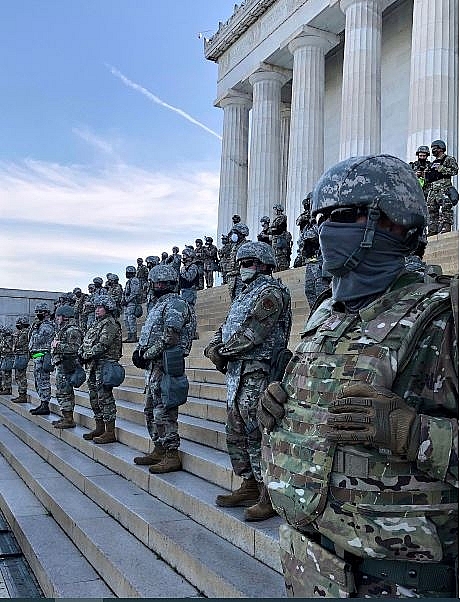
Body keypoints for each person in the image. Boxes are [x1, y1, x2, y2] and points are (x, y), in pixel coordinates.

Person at [257, 154, 458, 598]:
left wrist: (412, 431)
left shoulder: (444, 317)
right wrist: (283, 407)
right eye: (321, 218)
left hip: (396, 579)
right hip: (310, 564)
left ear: (397, 223)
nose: (325, 231)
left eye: (345, 216)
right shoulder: (329, 311)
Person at [204, 241, 292, 521]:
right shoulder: (243, 293)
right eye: (242, 263)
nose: (244, 268)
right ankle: (249, 483)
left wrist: (222, 351)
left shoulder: (270, 293)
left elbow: (254, 332)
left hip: (258, 370)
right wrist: (213, 346)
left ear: (266, 264)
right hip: (238, 372)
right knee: (237, 429)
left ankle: (268, 493)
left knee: (258, 431)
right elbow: (227, 326)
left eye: (250, 262)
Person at [132, 265, 195, 473]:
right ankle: (159, 448)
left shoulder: (176, 304)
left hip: (166, 364)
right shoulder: (157, 306)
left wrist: (145, 354)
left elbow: (170, 337)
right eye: (156, 283)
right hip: (154, 366)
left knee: (164, 411)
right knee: (151, 410)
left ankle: (171, 454)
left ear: (171, 284)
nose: (159, 286)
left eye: (163, 283)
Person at [79, 295, 123, 444]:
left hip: (105, 365)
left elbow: (103, 345)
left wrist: (86, 355)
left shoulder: (110, 323)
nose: (96, 310)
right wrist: (81, 352)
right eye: (96, 307)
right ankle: (99, 427)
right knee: (94, 398)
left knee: (105, 398)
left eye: (100, 307)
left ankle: (110, 431)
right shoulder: (97, 324)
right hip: (94, 365)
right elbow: (86, 341)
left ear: (108, 308)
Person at [50, 305, 83, 429]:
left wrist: (58, 346)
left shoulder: (72, 330)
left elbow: (75, 348)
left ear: (65, 317)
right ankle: (66, 416)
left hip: (67, 365)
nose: (57, 318)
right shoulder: (63, 330)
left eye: (58, 316)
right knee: (62, 392)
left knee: (65, 392)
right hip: (61, 365)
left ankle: (69, 419)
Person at [425, 140, 458, 235]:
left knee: (446, 207)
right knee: (431, 210)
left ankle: (446, 227)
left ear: (440, 148)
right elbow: (429, 177)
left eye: (434, 148)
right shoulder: (433, 163)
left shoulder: (448, 159)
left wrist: (442, 169)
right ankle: (432, 230)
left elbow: (454, 170)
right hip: (433, 189)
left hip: (444, 187)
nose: (433, 150)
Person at [28, 302, 55, 415]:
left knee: (43, 380)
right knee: (38, 380)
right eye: (37, 312)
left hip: (43, 355)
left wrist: (34, 330)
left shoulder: (47, 326)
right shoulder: (39, 325)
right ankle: (42, 402)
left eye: (40, 312)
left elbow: (39, 340)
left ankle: (45, 404)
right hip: (38, 355)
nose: (38, 314)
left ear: (46, 313)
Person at [226, 223, 250, 301]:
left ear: (241, 234)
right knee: (234, 300)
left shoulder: (246, 245)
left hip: (241, 277)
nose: (233, 235)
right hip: (233, 277)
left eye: (235, 233)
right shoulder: (234, 246)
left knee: (241, 299)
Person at [11, 315, 30, 403]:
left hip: (22, 355)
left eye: (18, 324)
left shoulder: (23, 333)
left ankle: (22, 395)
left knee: (21, 376)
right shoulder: (22, 332)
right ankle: (21, 394)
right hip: (19, 355)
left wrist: (15, 337)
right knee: (18, 376)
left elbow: (19, 344)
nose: (17, 325)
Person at [269, 204, 292, 272]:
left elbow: (275, 228)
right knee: (276, 255)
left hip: (280, 239)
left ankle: (282, 269)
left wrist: (271, 230)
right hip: (276, 239)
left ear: (278, 210)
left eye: (275, 209)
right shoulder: (278, 218)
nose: (274, 211)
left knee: (281, 255)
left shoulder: (282, 217)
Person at [122, 265, 141, 343]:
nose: (126, 274)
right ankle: (130, 336)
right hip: (127, 304)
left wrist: (127, 300)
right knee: (126, 320)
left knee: (131, 319)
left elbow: (135, 292)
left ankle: (133, 336)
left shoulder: (134, 280)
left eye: (127, 272)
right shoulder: (129, 281)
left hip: (132, 303)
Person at [0, 326, 14, 396]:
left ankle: (8, 388)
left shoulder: (9, 339)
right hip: (4, 357)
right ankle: (4, 388)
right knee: (3, 373)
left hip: (8, 357)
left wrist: (4, 350)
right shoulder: (4, 338)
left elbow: (11, 348)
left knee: (7, 373)